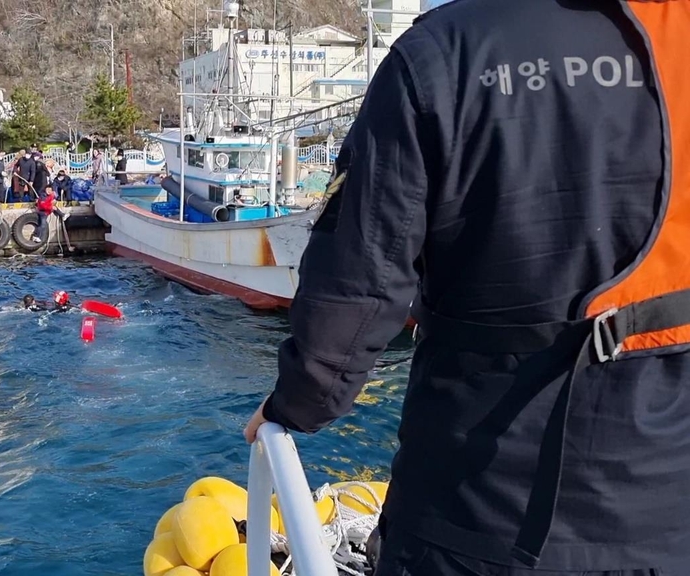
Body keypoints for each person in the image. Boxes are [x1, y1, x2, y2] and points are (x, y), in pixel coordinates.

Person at [243, 2, 690, 575]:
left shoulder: (441, 55)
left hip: (477, 518)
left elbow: (356, 293)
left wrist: (291, 408)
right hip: (671, 516)